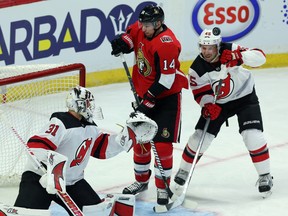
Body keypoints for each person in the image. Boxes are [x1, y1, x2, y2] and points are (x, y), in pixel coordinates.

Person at [13, 86, 157, 215]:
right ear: (80, 104)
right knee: (26, 214)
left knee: (97, 213)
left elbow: (102, 149)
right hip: (40, 179)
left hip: (72, 182)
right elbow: (36, 145)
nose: (91, 106)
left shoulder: (90, 127)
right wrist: (49, 172)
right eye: (89, 103)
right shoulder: (60, 122)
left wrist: (125, 138)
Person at [174, 27, 273, 197]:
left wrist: (238, 56)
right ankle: (184, 171)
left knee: (252, 135)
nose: (206, 51)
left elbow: (260, 58)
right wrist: (207, 106)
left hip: (245, 97)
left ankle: (265, 176)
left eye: (210, 47)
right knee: (199, 137)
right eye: (203, 48)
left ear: (218, 46)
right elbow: (199, 92)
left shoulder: (230, 49)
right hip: (219, 104)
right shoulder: (197, 68)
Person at [110, 4, 188, 205]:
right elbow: (130, 37)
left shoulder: (167, 43)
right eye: (142, 24)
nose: (142, 28)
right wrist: (122, 44)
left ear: (158, 23)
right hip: (144, 96)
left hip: (166, 99)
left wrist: (149, 101)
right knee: (141, 140)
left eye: (146, 25)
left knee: (161, 145)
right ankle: (141, 181)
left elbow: (167, 80)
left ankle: (163, 187)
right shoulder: (141, 27)